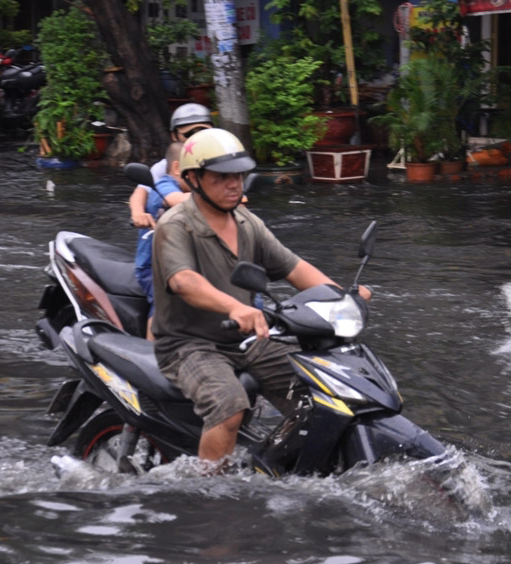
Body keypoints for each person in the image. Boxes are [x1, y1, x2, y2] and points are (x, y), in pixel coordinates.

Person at [150, 128, 371, 467]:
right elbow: (183, 281)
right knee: (229, 408)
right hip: (188, 344)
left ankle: (285, 470)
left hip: (248, 338)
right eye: (222, 177)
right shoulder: (175, 225)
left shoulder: (246, 222)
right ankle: (207, 494)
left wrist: (343, 298)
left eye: (238, 175)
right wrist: (235, 306)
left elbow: (294, 268)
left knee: (322, 393)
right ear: (193, 178)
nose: (234, 184)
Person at [134, 141, 190, 340]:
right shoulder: (164, 185)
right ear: (177, 168)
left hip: (180, 260)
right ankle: (151, 354)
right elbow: (174, 200)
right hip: (153, 265)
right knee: (163, 300)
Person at [129, 103, 213, 229]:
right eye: (190, 134)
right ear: (174, 136)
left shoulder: (222, 165)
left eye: (204, 133)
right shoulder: (164, 168)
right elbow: (141, 191)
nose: (197, 140)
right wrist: (138, 213)